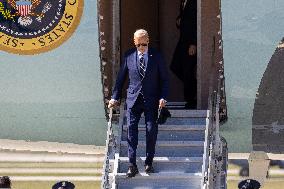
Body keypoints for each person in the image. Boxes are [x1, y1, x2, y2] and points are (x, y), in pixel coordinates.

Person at [108, 29, 169, 177]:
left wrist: (163, 97)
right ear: (134, 42)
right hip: (133, 99)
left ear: (148, 41)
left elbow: (165, 79)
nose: (142, 47)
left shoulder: (157, 56)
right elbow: (121, 79)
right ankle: (132, 164)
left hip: (151, 100)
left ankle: (148, 162)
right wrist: (115, 97)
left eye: (144, 44)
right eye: (139, 45)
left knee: (150, 131)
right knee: (131, 132)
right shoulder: (129, 55)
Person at [170, 0, 197, 109]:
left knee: (187, 71)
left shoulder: (195, 2)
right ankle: (195, 86)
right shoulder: (183, 1)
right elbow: (183, 18)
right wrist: (178, 20)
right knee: (175, 66)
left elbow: (197, 22)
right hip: (182, 41)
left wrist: (194, 43)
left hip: (191, 42)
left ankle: (190, 100)